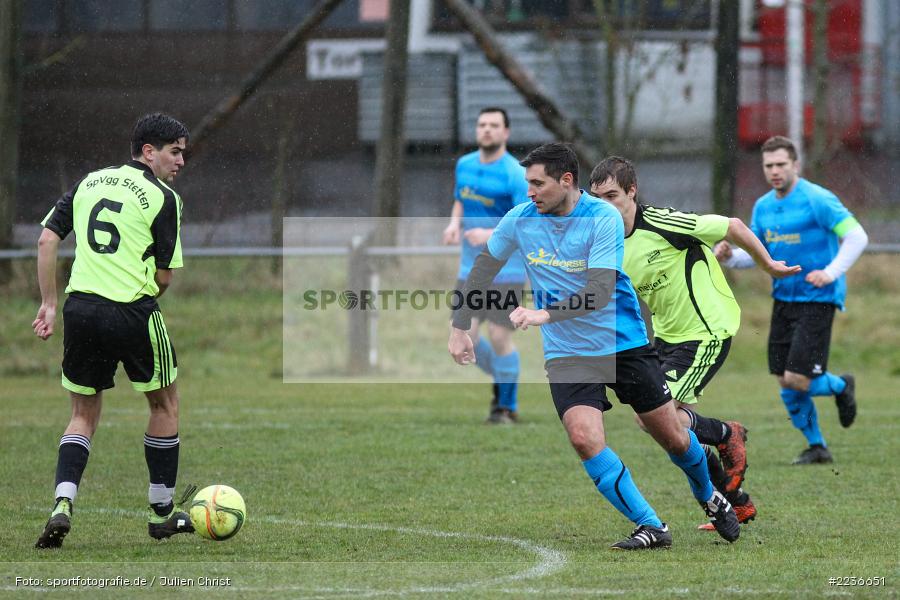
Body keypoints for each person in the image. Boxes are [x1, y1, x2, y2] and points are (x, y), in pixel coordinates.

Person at [449, 143, 740, 549]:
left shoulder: (602, 218)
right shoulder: (520, 219)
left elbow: (599, 291)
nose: (530, 192)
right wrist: (459, 326)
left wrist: (544, 314)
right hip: (567, 353)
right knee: (584, 438)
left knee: (673, 437)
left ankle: (709, 494)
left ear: (566, 180)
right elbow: (483, 268)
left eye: (538, 184)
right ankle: (652, 526)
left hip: (623, 344)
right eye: (528, 183)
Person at [589, 156, 800, 531]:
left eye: (612, 196)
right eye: (597, 199)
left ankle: (726, 434)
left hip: (705, 330)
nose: (605, 206)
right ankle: (736, 503)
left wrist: (767, 265)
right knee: (670, 431)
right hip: (665, 337)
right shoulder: (608, 242)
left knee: (652, 417)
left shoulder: (662, 223)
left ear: (632, 191)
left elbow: (732, 226)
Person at [33, 113, 194, 548]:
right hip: (133, 311)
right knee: (164, 404)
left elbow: (47, 240)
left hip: (80, 310)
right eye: (175, 152)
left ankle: (63, 503)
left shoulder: (89, 182)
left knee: (82, 414)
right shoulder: (164, 198)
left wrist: (49, 303)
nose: (181, 161)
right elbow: (164, 277)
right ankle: (161, 512)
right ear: (149, 151)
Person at [715, 136, 867, 465]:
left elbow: (857, 236)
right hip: (783, 299)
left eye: (781, 164)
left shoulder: (817, 199)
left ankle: (841, 387)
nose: (775, 171)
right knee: (786, 380)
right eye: (768, 165)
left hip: (818, 298)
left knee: (798, 378)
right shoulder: (763, 207)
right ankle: (817, 447)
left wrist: (830, 272)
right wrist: (730, 257)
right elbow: (760, 254)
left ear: (795, 165)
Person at [443, 107, 529, 424]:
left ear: (506, 132)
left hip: (507, 269)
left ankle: (504, 407)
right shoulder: (464, 165)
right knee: (464, 336)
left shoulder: (515, 173)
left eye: (494, 125)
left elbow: (525, 222)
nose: (487, 129)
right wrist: (454, 224)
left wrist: (489, 234)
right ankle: (507, 378)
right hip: (470, 269)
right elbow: (460, 199)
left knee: (499, 336)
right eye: (482, 124)